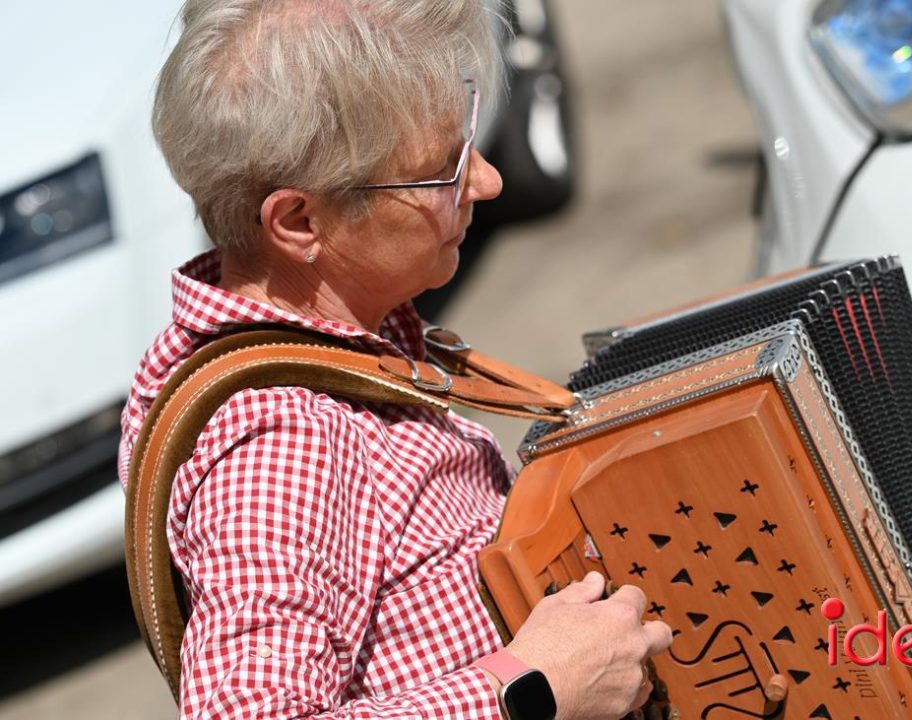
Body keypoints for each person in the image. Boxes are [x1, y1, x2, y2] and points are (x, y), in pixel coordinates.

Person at [118, 1, 672, 718]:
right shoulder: (282, 440)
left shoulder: (318, 354)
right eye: (441, 171)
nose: (487, 182)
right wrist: (536, 687)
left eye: (467, 143)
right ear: (299, 222)